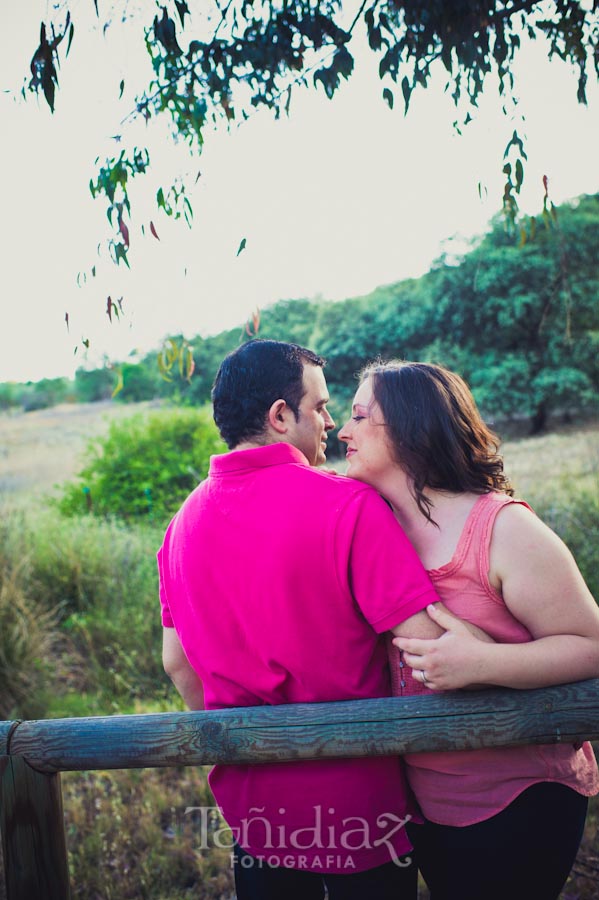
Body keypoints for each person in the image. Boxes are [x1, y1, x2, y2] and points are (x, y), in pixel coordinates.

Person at [158, 340, 445, 900]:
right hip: (361, 809)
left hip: (255, 815)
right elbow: (427, 649)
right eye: (320, 407)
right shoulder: (347, 504)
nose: (330, 423)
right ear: (280, 416)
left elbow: (177, 665)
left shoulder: (180, 525)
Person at [338, 359, 599, 900]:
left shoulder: (503, 528)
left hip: (520, 796)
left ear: (411, 428)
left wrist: (486, 665)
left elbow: (592, 646)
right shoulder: (372, 528)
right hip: (421, 802)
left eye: (360, 416)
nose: (343, 430)